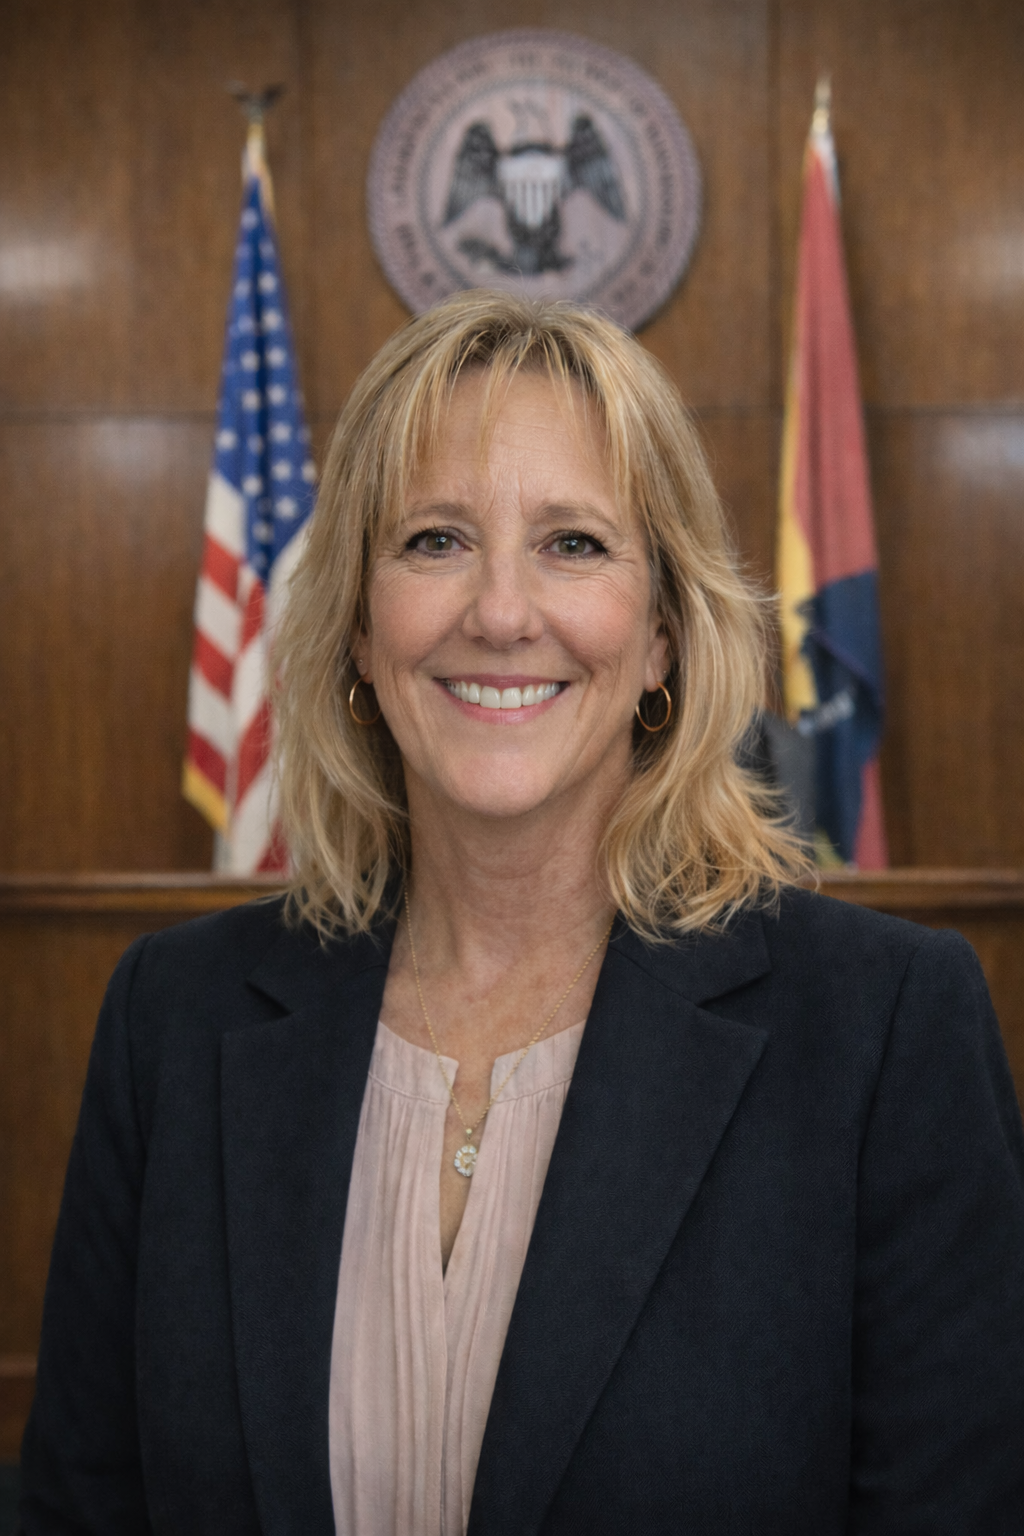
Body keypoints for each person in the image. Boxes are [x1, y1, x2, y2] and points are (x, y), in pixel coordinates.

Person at [19, 291, 1024, 1535]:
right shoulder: (171, 1017)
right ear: (357, 627)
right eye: (435, 539)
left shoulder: (884, 1030)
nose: (499, 613)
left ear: (661, 637)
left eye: (574, 544)